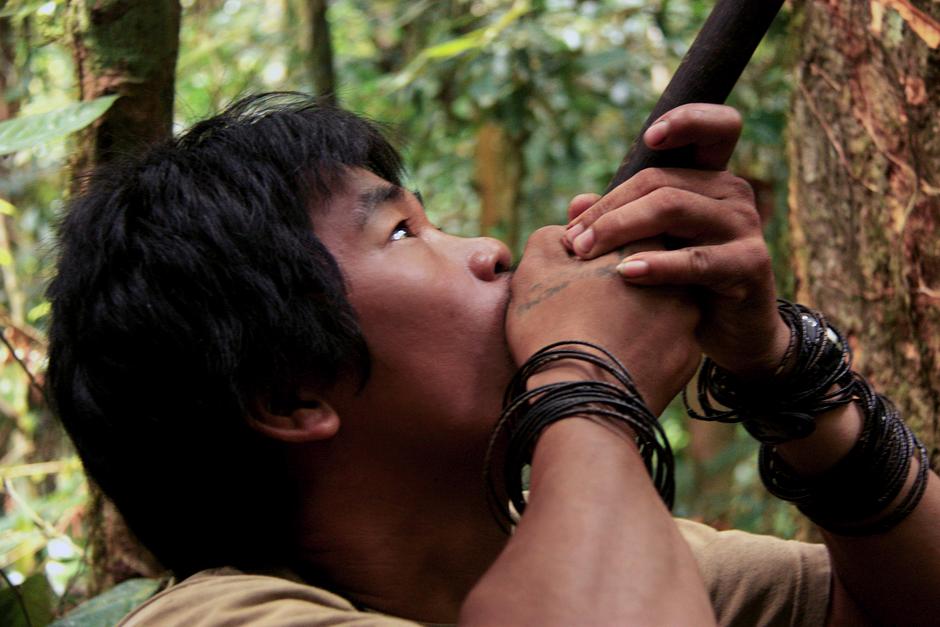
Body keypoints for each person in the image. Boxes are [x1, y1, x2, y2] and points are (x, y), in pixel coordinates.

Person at [46, 92, 940, 626]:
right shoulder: (213, 617)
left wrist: (784, 372)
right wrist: (586, 375)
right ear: (288, 391)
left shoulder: (637, 558)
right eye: (402, 231)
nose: (495, 251)